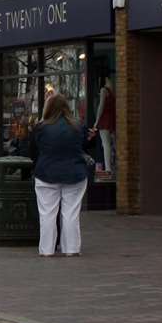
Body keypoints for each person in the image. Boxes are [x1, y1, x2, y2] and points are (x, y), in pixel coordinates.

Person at [26, 94, 101, 258]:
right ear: (67, 108)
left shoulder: (40, 128)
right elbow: (85, 147)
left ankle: (46, 250)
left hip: (46, 173)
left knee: (47, 214)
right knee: (71, 213)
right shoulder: (79, 127)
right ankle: (71, 249)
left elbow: (31, 152)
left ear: (48, 108)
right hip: (74, 173)